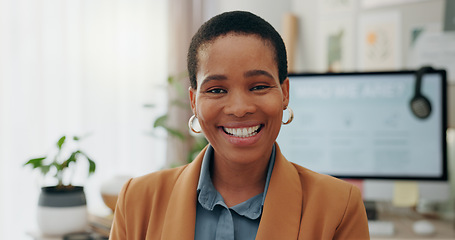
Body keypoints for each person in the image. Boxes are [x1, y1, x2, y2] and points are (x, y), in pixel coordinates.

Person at [110, 11, 370, 240]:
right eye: (216, 89)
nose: (239, 108)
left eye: (258, 86)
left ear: (285, 92)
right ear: (193, 101)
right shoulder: (137, 200)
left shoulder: (339, 207)